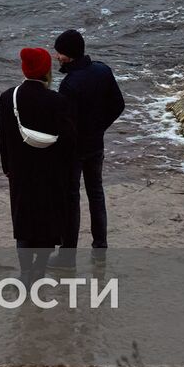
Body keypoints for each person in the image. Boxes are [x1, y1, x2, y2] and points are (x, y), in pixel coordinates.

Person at [0, 47, 77, 284]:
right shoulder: (57, 101)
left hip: (20, 172)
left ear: (24, 69)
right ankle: (39, 272)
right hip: (50, 173)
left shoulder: (7, 97)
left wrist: (8, 168)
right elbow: (69, 141)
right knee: (46, 223)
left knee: (23, 222)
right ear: (46, 71)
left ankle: (24, 274)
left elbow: (3, 137)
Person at [53, 29, 124, 263]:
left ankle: (67, 254)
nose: (57, 57)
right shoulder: (103, 71)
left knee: (70, 198)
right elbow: (118, 105)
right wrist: (100, 127)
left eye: (60, 53)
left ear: (70, 55)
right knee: (96, 193)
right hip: (96, 144)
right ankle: (100, 245)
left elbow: (65, 126)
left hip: (74, 151)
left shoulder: (69, 85)